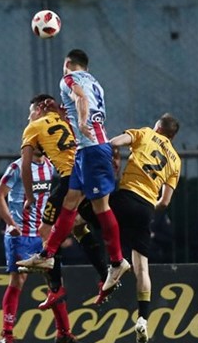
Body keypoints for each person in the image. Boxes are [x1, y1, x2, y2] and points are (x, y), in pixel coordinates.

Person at [17, 49, 129, 297]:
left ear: (68, 63)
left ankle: (117, 261)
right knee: (71, 204)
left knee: (100, 209)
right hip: (84, 152)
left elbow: (80, 99)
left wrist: (81, 121)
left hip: (92, 149)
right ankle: (47, 255)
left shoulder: (68, 79)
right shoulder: (96, 83)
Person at [15, 93, 112, 308]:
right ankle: (106, 275)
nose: (29, 118)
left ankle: (55, 289)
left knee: (45, 231)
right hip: (87, 176)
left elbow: (25, 166)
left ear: (39, 109)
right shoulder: (66, 119)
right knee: (78, 226)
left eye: (30, 113)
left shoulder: (33, 127)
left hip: (70, 181)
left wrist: (29, 197)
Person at [0, 151, 86, 343]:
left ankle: (63, 332)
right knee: (18, 281)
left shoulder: (50, 166)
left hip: (43, 234)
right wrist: (10, 223)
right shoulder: (17, 167)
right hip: (20, 235)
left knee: (55, 282)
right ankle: (6, 335)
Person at [108, 113, 181, 343]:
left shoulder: (146, 133)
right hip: (147, 208)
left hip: (126, 195)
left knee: (86, 214)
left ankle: (112, 266)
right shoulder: (176, 161)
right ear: (172, 136)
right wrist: (149, 207)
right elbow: (165, 202)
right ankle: (142, 319)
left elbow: (113, 143)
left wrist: (114, 159)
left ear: (157, 126)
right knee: (142, 267)